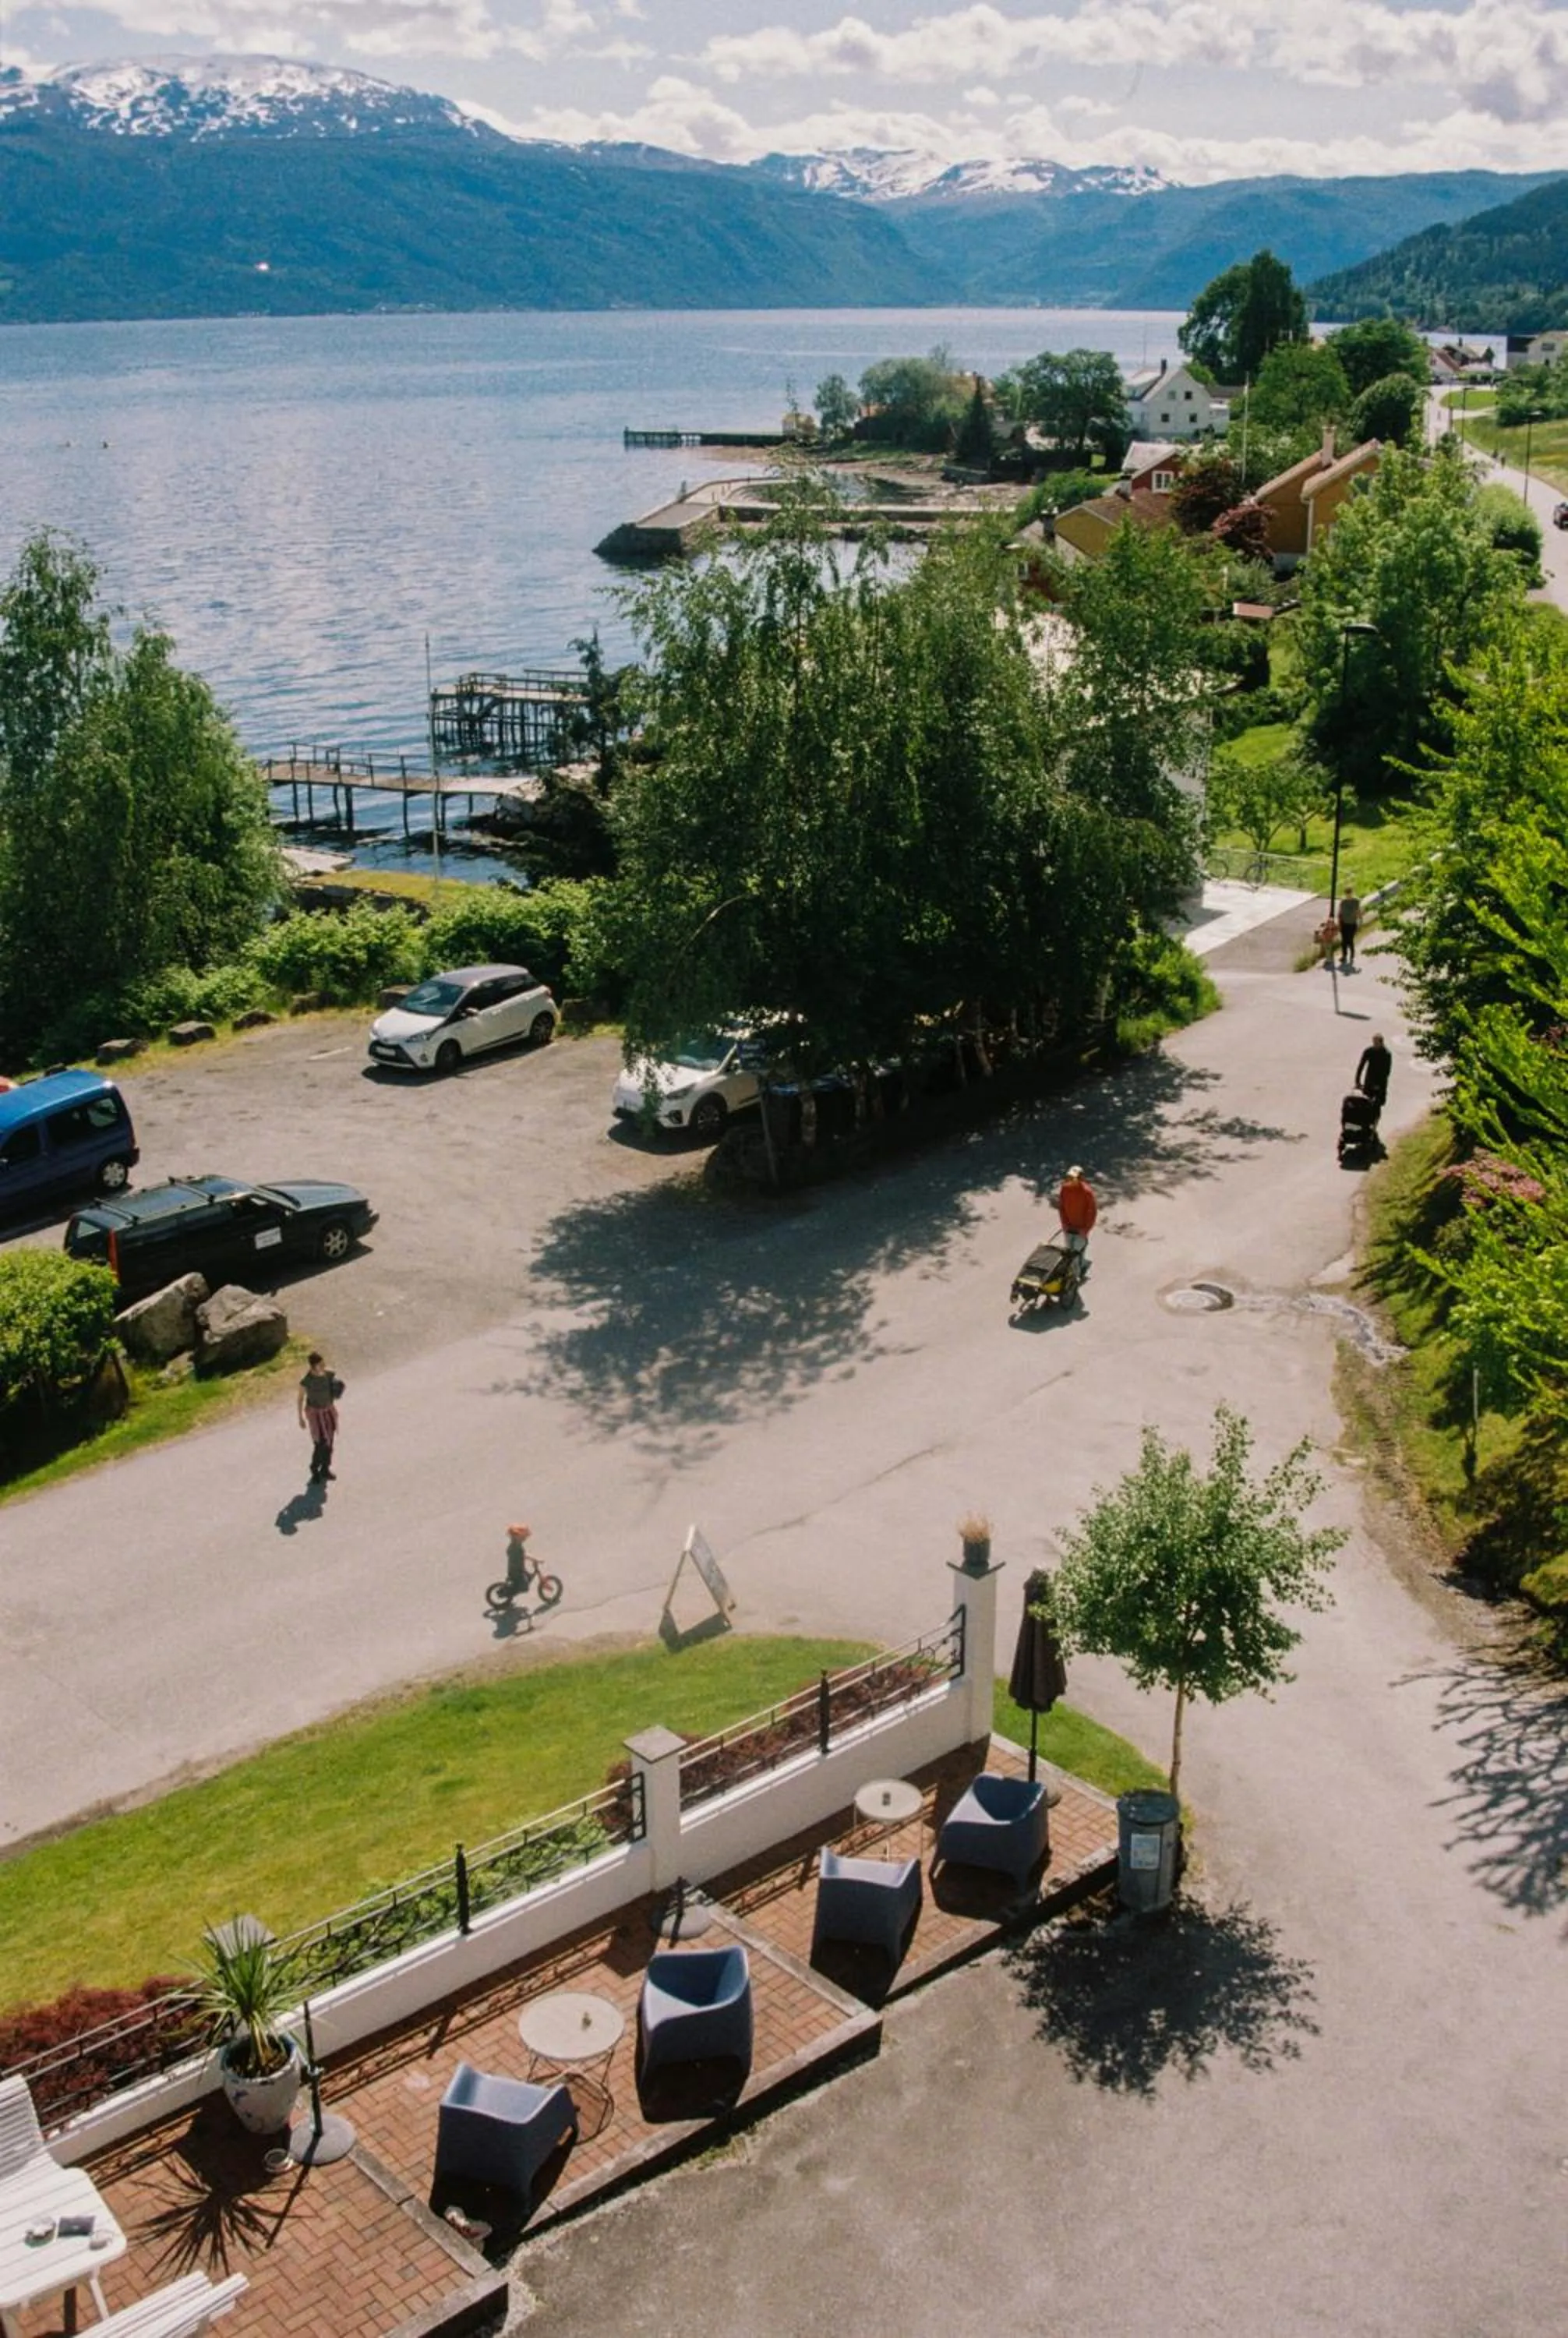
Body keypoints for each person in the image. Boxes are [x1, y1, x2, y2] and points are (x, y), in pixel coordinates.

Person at [298, 1351, 342, 1484]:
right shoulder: (306, 1381)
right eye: (320, 1364)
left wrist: (337, 1388)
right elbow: (300, 1399)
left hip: (328, 1412)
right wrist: (300, 1417)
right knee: (320, 1443)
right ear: (313, 1366)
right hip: (315, 1415)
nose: (323, 1366)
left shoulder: (329, 1374)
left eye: (323, 1363)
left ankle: (325, 1468)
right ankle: (314, 1469)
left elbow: (335, 1384)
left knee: (329, 1443)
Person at [1056, 1164, 1098, 1258]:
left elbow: (1092, 1212)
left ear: (1081, 1179)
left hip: (1081, 1229)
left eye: (1073, 1178)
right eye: (1069, 1177)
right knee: (1068, 1251)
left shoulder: (1087, 1192)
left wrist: (1086, 1229)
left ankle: (1079, 1269)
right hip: (1069, 1227)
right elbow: (1062, 1208)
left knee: (1077, 1254)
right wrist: (1065, 1224)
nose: (1070, 1180)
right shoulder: (1065, 1189)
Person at [1356, 1033, 1392, 1112]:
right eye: (1374, 1042)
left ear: (1381, 1043)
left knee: (1377, 1104)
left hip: (1380, 1082)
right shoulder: (1369, 1051)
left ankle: (1375, 1118)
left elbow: (1387, 1072)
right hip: (1369, 1080)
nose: (1374, 1044)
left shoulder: (1386, 1054)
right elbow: (1361, 1066)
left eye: (1376, 1043)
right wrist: (1358, 1081)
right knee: (1365, 1104)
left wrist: (1378, 1085)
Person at [1337, 889, 1362, 969]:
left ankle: (1352, 954)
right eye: (1347, 894)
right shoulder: (1343, 902)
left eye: (1349, 893)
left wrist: (1360, 921)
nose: (1348, 895)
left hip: (1352, 923)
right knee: (1344, 941)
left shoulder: (1356, 901)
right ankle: (1344, 956)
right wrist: (1339, 924)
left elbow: (1358, 912)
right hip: (1344, 923)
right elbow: (1340, 913)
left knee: (1350, 940)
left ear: (1352, 893)